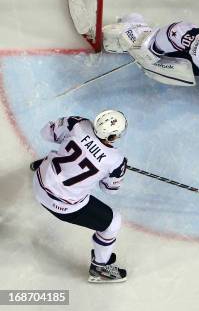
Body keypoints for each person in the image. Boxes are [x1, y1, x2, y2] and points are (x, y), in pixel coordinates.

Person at [31, 110, 128, 283]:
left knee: (61, 156)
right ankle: (100, 268)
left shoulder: (77, 123)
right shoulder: (116, 161)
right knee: (113, 223)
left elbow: (46, 133)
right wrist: (110, 170)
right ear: (113, 136)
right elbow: (109, 189)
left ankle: (44, 165)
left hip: (39, 182)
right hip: (64, 207)